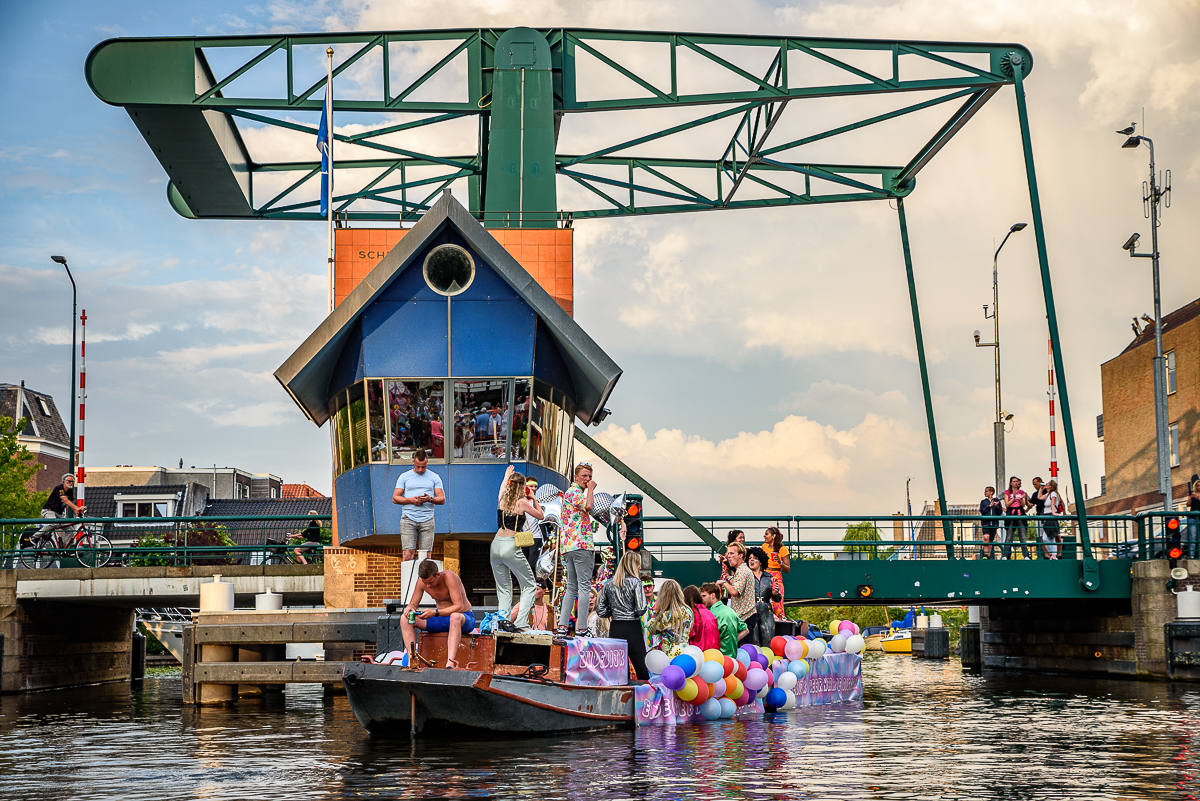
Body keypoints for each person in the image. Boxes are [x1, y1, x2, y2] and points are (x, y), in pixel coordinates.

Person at [492, 466, 544, 631]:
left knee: (503, 587)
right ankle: (521, 622)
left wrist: (506, 475)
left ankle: (503, 621)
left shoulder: (501, 499)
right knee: (529, 585)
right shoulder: (522, 502)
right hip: (510, 544)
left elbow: (502, 488)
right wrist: (534, 498)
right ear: (522, 486)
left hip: (495, 544)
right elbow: (541, 516)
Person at [398, 559, 475, 669]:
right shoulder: (421, 582)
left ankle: (450, 663)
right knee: (404, 619)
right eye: (425, 583)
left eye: (430, 582)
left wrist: (434, 612)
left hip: (463, 618)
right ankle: (412, 660)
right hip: (440, 619)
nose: (428, 586)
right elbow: (413, 605)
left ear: (437, 575)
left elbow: (459, 607)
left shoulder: (449, 577)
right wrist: (410, 609)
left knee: (455, 616)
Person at [556, 463, 597, 637]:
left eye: (589, 476)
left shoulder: (569, 493)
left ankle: (563, 625)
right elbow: (588, 506)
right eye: (585, 476)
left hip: (569, 546)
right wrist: (591, 489)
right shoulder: (575, 492)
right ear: (576, 476)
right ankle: (581, 627)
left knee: (572, 587)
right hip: (581, 545)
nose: (587, 479)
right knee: (584, 587)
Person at [596, 550, 649, 679]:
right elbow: (641, 609)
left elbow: (600, 610)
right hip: (633, 628)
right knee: (642, 669)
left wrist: (613, 612)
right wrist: (632, 611)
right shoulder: (636, 582)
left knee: (618, 671)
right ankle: (643, 697)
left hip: (616, 628)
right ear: (633, 565)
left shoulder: (608, 584)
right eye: (638, 564)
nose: (640, 567)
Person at [392, 450, 446, 563]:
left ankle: (423, 580)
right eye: (418, 467)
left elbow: (442, 499)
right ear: (413, 462)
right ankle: (408, 580)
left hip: (427, 520)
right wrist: (410, 500)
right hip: (408, 519)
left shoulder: (434, 477)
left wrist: (430, 499)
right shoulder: (404, 476)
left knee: (426, 557)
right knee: (408, 554)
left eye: (423, 467)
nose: (420, 470)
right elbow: (395, 498)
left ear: (427, 463)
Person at [645, 579, 693, 658]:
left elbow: (652, 629)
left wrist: (656, 612)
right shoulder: (688, 611)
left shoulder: (667, 615)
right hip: (686, 652)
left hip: (670, 655)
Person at [746, 547, 782, 648]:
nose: (751, 560)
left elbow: (777, 599)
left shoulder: (769, 578)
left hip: (766, 612)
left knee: (768, 639)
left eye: (755, 558)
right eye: (749, 558)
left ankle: (769, 662)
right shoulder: (745, 577)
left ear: (761, 561)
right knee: (753, 641)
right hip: (750, 611)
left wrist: (775, 593)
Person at [700, 582, 748, 658]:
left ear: (713, 595)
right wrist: (733, 640)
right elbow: (745, 630)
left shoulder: (710, 614)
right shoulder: (731, 611)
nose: (702, 599)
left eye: (704, 596)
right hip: (732, 661)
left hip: (717, 660)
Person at [717, 542, 756, 626]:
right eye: (728, 554)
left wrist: (723, 582)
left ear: (740, 555)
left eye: (732, 553)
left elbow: (734, 592)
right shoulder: (740, 570)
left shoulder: (742, 571)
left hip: (745, 617)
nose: (729, 556)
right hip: (744, 617)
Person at [760, 527, 790, 619]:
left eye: (767, 534)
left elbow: (787, 569)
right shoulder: (764, 546)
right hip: (764, 576)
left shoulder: (783, 549)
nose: (764, 536)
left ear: (773, 536)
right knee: (762, 602)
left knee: (778, 605)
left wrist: (780, 562)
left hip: (776, 576)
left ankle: (780, 623)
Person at [1001, 476, 1031, 560]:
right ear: (1010, 483)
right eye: (1014, 481)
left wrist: (1022, 498)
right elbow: (1007, 504)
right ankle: (1005, 555)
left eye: (1017, 481)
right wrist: (1013, 498)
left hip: (1020, 512)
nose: (1015, 483)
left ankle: (1026, 555)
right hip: (1011, 512)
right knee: (1009, 536)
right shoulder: (1007, 492)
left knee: (1022, 536)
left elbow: (1023, 505)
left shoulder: (1021, 492)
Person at [683, 584, 720, 651]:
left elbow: (686, 636)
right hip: (713, 654)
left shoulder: (692, 614)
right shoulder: (709, 612)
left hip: (698, 654)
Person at [521, 476, 544, 575]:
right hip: (524, 536)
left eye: (535, 486)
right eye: (531, 486)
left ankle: (537, 587)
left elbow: (545, 519)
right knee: (524, 566)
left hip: (536, 537)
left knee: (532, 565)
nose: (534, 489)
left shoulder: (538, 501)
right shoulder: (520, 501)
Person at [1029, 477, 1051, 560]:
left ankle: (1053, 553)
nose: (1034, 486)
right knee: (1041, 537)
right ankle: (1046, 555)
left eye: (1035, 484)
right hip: (1039, 517)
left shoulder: (1049, 492)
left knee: (1050, 536)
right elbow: (1030, 504)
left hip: (1048, 516)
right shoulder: (1035, 494)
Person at [979, 486, 1002, 560]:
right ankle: (985, 554)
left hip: (994, 523)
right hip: (986, 522)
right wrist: (989, 506)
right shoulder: (983, 502)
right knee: (986, 537)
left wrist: (997, 507)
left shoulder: (997, 501)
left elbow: (1000, 512)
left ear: (991, 492)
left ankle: (988, 555)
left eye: (986, 491)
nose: (985, 492)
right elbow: (982, 511)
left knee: (991, 539)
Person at [1043, 480, 1064, 560]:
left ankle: (1053, 553)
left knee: (1048, 537)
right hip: (1047, 516)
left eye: (1047, 484)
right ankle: (1053, 555)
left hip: (1050, 516)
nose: (1046, 485)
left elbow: (1053, 503)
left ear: (1050, 486)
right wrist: (1042, 489)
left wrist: (1053, 512)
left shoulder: (1053, 494)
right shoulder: (1048, 494)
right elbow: (1039, 498)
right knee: (1050, 537)